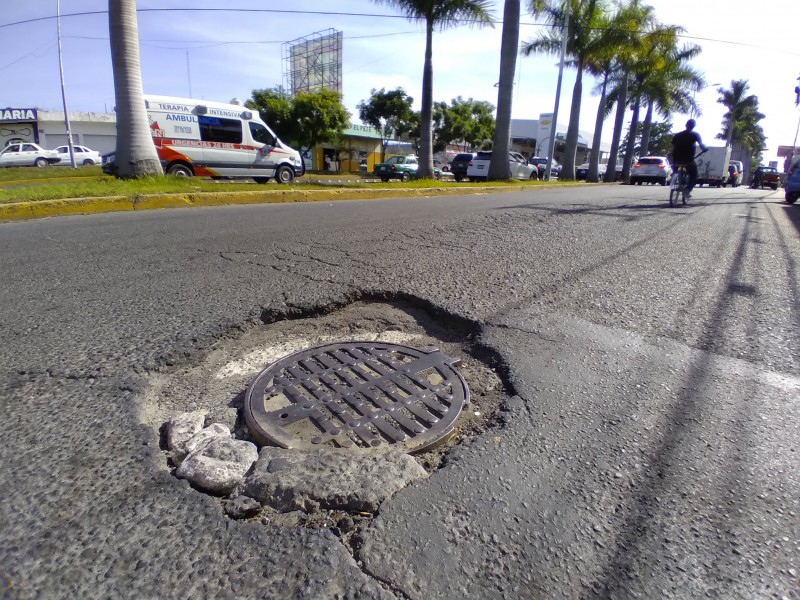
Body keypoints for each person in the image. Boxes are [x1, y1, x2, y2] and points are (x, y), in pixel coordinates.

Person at [671, 119, 707, 199]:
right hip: (688, 160)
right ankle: (687, 190)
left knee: (675, 169)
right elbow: (701, 145)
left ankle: (675, 175)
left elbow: (673, 147)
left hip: (676, 159)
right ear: (694, 126)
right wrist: (705, 149)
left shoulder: (677, 135)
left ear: (685, 125)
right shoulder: (695, 134)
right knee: (694, 175)